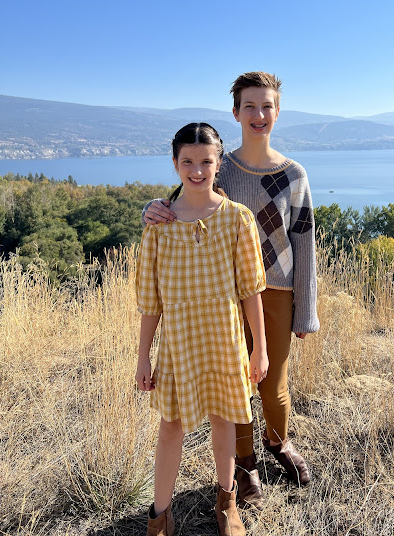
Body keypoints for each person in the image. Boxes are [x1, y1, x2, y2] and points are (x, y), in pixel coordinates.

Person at [143, 72, 319, 511]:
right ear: (236, 112)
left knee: (272, 385)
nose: (259, 115)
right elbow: (188, 201)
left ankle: (278, 442)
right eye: (250, 106)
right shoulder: (222, 166)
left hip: (275, 291)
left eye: (267, 106)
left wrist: (306, 311)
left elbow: (304, 242)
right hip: (224, 295)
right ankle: (246, 464)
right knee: (235, 385)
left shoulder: (294, 174)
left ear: (277, 111)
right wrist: (152, 208)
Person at [136, 122, 268, 536]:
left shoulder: (237, 219)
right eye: (188, 162)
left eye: (206, 162)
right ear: (175, 163)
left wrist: (260, 348)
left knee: (224, 419)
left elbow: (250, 290)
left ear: (218, 163)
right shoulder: (159, 225)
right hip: (178, 344)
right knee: (171, 426)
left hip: (224, 340)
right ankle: (160, 516)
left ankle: (227, 504)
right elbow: (150, 301)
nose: (197, 170)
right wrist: (143, 357)